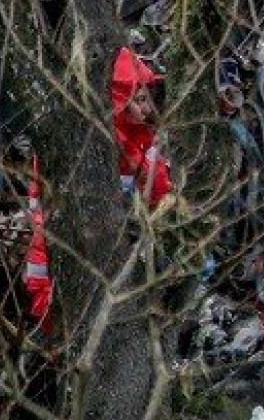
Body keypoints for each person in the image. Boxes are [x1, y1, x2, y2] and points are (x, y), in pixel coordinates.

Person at [25, 47, 173, 332]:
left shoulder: (140, 138)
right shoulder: (89, 143)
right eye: (139, 100)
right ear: (117, 101)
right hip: (71, 257)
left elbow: (158, 190)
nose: (146, 109)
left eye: (147, 99)